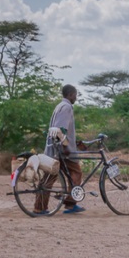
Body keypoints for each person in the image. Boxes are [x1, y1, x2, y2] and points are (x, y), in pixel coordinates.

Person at [35, 84, 87, 214]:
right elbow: (59, 130)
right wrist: (64, 147)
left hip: (55, 148)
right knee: (76, 173)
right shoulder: (67, 107)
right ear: (70, 95)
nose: (76, 97)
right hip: (62, 150)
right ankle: (70, 203)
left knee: (50, 176)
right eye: (75, 94)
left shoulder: (60, 106)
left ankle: (40, 207)